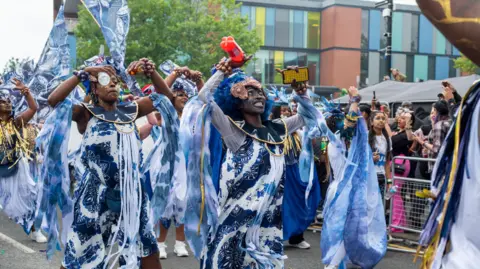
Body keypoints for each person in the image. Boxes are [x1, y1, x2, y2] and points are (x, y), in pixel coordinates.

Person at [46, 57, 176, 269]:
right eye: (106, 80)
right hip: (95, 194)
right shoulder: (85, 113)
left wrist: (152, 73)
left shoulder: (132, 110)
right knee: (80, 250)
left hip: (132, 193)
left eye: (116, 81)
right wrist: (82, 73)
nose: (113, 84)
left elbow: (165, 98)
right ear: (95, 89)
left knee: (146, 246)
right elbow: (53, 101)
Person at [139, 66, 202, 259]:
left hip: (186, 166)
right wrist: (175, 73)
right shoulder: (163, 114)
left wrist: (198, 80)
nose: (183, 97)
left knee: (183, 202)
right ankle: (160, 243)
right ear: (171, 96)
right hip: (165, 163)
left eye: (186, 95)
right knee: (165, 202)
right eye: (179, 93)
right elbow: (160, 92)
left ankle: (180, 243)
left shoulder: (193, 117)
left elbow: (206, 99)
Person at [0, 78, 43, 240]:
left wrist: (26, 91)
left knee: (28, 197)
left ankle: (34, 230)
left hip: (16, 168)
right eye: (3, 101)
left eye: (9, 101)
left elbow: (33, 107)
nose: (8, 103)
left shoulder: (17, 122)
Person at [390, 110, 415, 233]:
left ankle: (396, 225)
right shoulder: (400, 132)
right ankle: (399, 223)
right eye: (400, 117)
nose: (400, 119)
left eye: (404, 118)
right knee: (395, 193)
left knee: (395, 193)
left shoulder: (408, 133)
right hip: (396, 162)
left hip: (400, 163)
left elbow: (392, 141)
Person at [414, 100, 451, 173]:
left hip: (438, 166)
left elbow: (437, 149)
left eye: (433, 111)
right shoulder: (449, 122)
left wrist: (422, 142)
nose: (432, 114)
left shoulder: (440, 125)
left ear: (437, 111)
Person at [369, 111, 392, 200]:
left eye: (383, 118)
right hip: (368, 177)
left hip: (381, 178)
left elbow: (387, 163)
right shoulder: (366, 137)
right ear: (371, 122)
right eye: (378, 118)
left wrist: (389, 181)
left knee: (379, 205)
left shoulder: (387, 139)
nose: (381, 121)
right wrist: (370, 159)